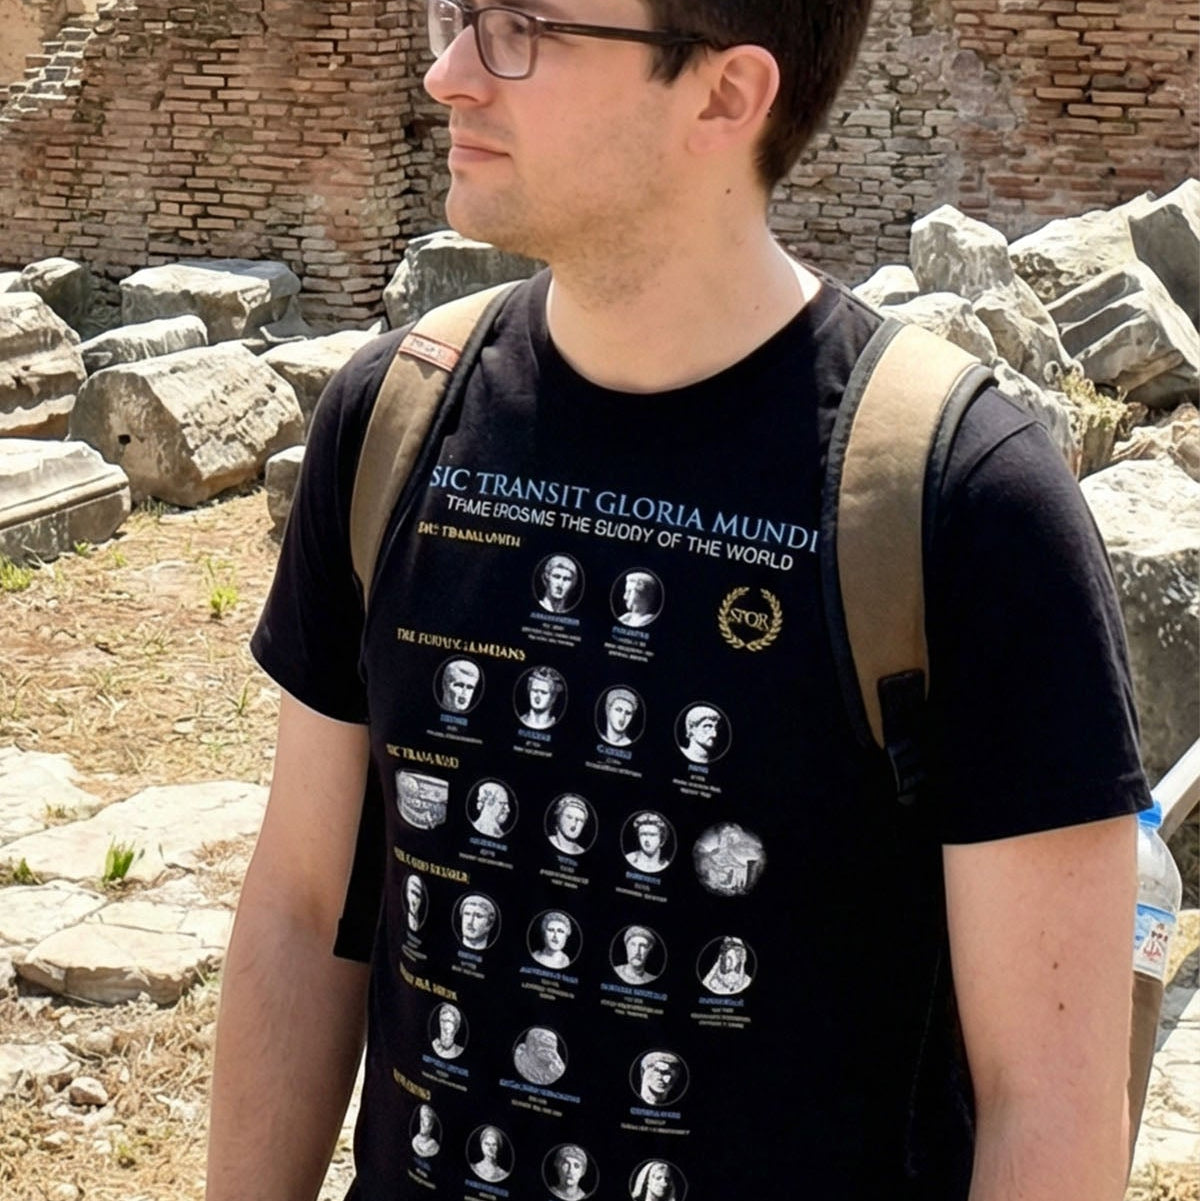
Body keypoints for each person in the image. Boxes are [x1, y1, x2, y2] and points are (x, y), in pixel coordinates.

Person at [210, 1, 1148, 1197]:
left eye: (520, 28)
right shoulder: (392, 421)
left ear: (724, 95)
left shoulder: (968, 504)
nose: (448, 74)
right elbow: (302, 908)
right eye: (458, 14)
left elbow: (1051, 1102)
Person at [518, 665, 564, 729]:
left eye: (543, 692)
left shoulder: (556, 725)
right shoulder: (521, 719)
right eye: (534, 690)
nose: (537, 696)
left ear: (553, 697)